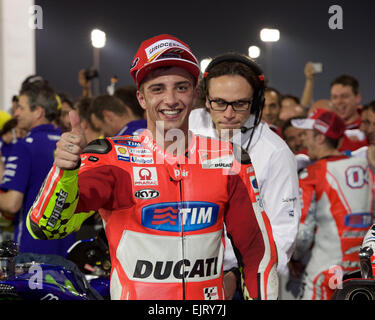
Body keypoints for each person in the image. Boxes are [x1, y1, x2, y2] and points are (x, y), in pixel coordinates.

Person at [26, 34, 278, 300]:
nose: (171, 100)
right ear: (142, 98)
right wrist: (64, 172)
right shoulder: (111, 158)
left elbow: (257, 253)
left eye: (181, 87)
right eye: (157, 89)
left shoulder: (230, 159)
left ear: (195, 94)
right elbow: (45, 227)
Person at [189, 52, 301, 281]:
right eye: (219, 102)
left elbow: (282, 234)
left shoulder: (276, 153)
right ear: (206, 98)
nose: (229, 114)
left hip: (237, 280)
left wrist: (246, 282)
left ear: (257, 102)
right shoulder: (188, 125)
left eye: (240, 103)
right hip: (176, 275)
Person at [289, 108, 372, 300]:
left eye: (307, 135)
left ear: (320, 138)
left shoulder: (311, 174)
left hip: (325, 274)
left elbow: (302, 235)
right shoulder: (367, 167)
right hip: (366, 273)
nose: (304, 140)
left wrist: (295, 258)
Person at [0, 80, 76, 255]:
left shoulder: (24, 146)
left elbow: (12, 204)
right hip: (67, 249)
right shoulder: (69, 143)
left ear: (38, 112)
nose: (16, 113)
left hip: (31, 251)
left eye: (21, 108)